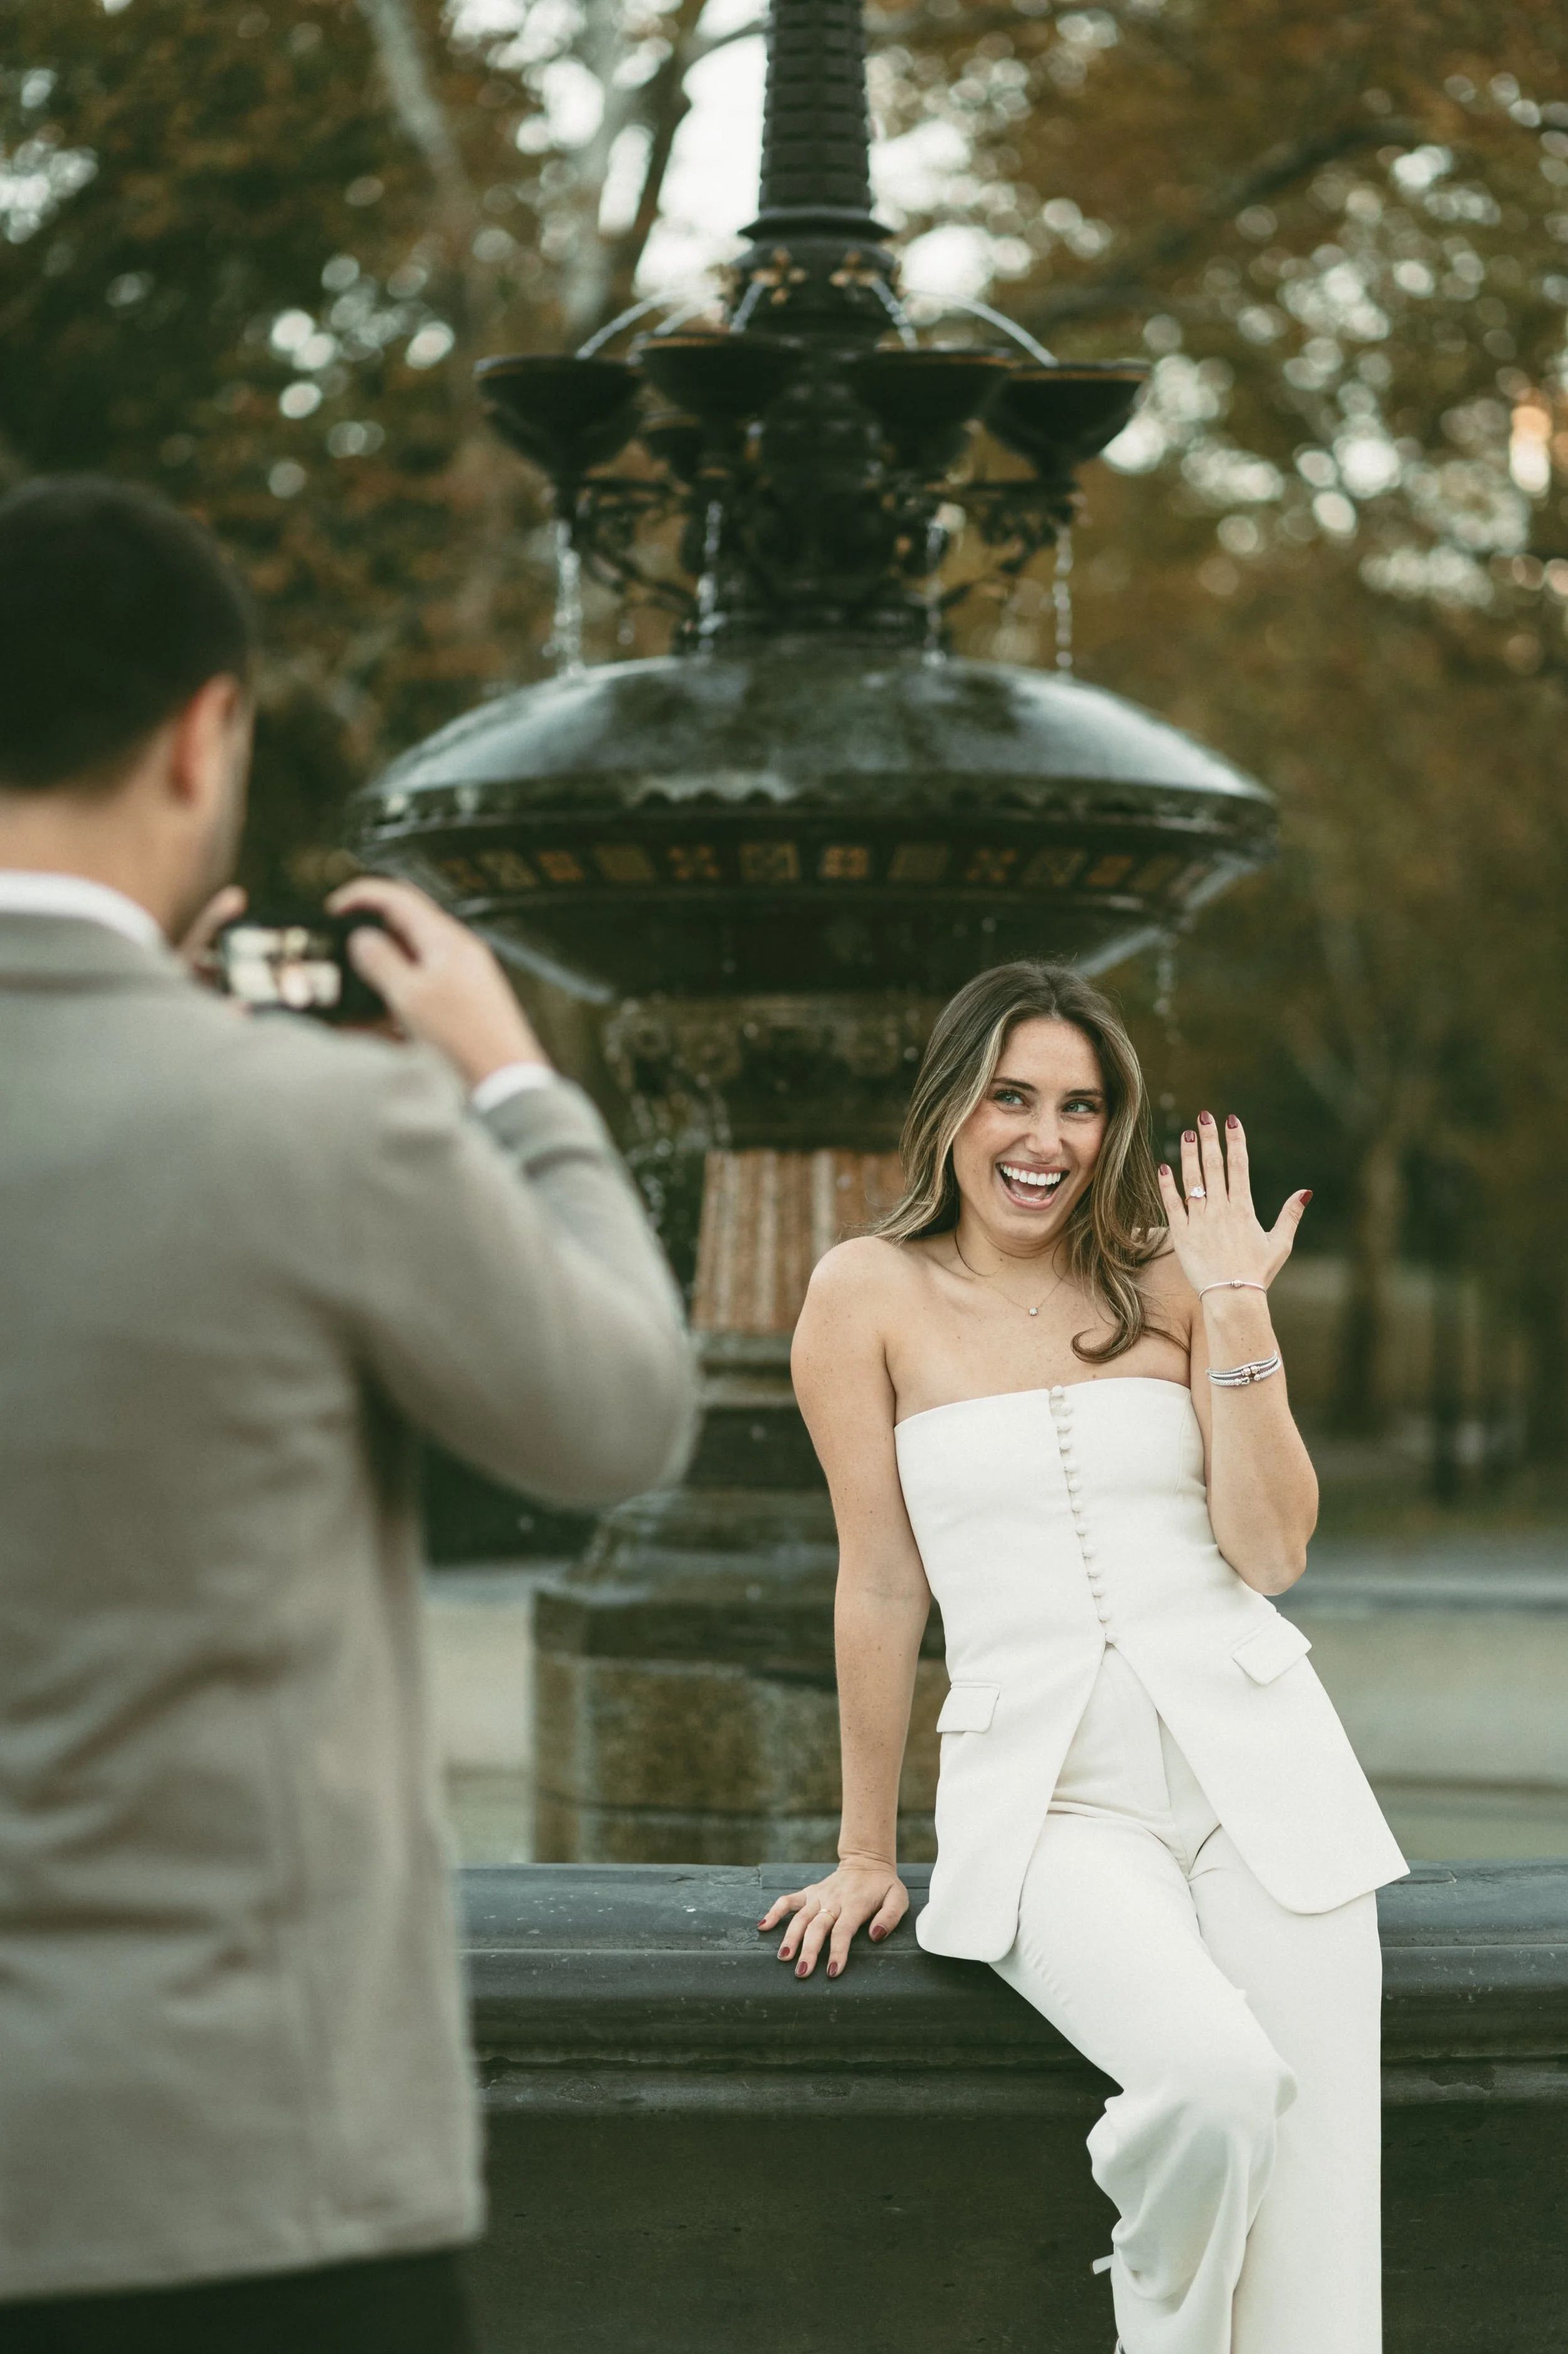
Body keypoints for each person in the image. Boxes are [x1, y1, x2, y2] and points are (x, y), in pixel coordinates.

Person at [0, 476, 696, 2351]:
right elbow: (621, 1413)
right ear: (201, 733)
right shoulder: (320, 1128)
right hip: (245, 2179)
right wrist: (509, 1082)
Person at [761, 961, 1406, 2354]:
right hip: (1051, 1807)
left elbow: (1272, 1551)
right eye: (1009, 1097)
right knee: (1215, 2083)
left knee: (1316, 2265)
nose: (1041, 1137)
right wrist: (865, 1849)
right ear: (950, 1107)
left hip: (1267, 1787)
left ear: (1113, 1130)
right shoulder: (861, 1291)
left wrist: (1236, 1312)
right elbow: (878, 1579)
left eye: (1078, 1105)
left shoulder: (1171, 1283)